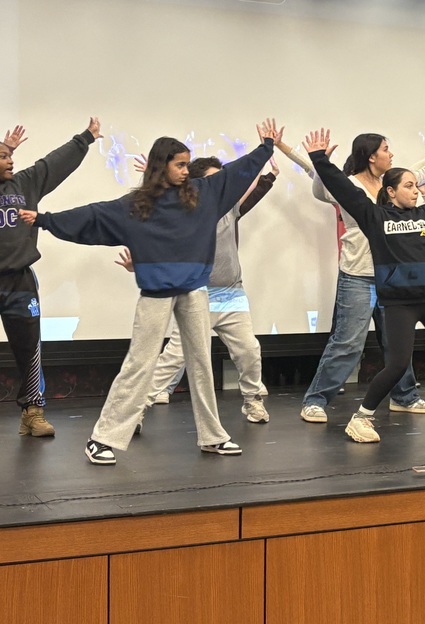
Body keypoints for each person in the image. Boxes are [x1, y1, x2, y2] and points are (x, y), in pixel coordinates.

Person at [21, 119, 279, 464]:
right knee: (140, 364)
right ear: (162, 166)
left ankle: (213, 436)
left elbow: (238, 171)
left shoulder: (204, 195)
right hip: (156, 295)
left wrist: (266, 147)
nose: (187, 171)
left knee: (201, 362)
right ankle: (102, 438)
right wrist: (44, 219)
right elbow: (90, 217)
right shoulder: (137, 205)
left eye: (188, 164)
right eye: (180, 164)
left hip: (195, 292)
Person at [303, 128, 425, 443]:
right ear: (390, 191)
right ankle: (360, 418)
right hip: (398, 304)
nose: (416, 190)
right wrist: (318, 160)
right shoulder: (373, 216)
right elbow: (342, 188)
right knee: (394, 363)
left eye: (416, 186)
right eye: (409, 186)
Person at [121, 156, 276, 420]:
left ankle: (252, 400)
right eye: (212, 179)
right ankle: (136, 412)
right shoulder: (182, 214)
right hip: (196, 295)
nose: (219, 184)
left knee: (249, 350)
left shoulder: (230, 207)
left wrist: (267, 164)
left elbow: (247, 181)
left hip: (232, 295)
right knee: (173, 358)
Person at [0, 119, 101, 437]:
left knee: (29, 347)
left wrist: (84, 139)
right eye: (3, 157)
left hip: (18, 281)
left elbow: (53, 165)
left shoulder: (22, 185)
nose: (10, 160)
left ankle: (33, 412)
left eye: (9, 156)